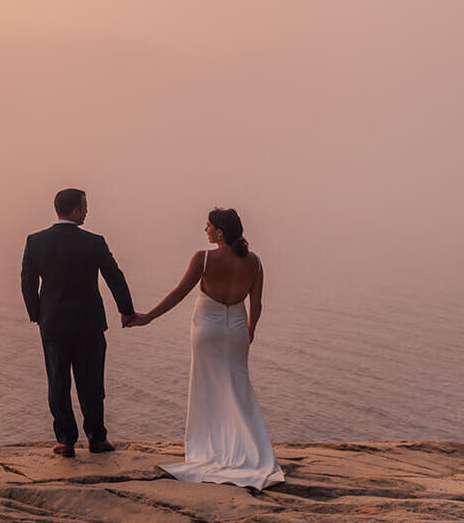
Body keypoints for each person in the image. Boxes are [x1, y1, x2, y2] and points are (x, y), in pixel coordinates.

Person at [127, 208, 284, 488]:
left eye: (208, 226)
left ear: (220, 232)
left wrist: (147, 317)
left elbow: (178, 294)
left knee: (207, 389)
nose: (205, 230)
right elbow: (256, 305)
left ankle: (212, 450)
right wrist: (250, 330)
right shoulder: (255, 262)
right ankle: (249, 450)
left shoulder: (204, 258)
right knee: (238, 388)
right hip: (237, 330)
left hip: (207, 331)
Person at [21, 188, 137, 457]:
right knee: (92, 383)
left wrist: (38, 315)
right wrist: (127, 311)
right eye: (85, 207)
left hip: (53, 324)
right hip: (89, 323)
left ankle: (65, 441)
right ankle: (96, 438)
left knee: (58, 382)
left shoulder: (36, 241)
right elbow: (114, 277)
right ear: (75, 211)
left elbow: (27, 282)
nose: (87, 211)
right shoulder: (94, 242)